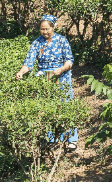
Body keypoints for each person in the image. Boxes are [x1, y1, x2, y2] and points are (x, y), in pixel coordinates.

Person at [16, 14, 78, 150]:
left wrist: (61, 69)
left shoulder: (62, 41)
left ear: (53, 27)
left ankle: (71, 139)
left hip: (61, 77)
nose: (44, 32)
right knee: (47, 108)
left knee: (65, 106)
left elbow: (69, 60)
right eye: (42, 29)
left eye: (47, 29)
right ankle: (52, 139)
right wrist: (21, 72)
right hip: (44, 78)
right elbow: (29, 62)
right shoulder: (37, 42)